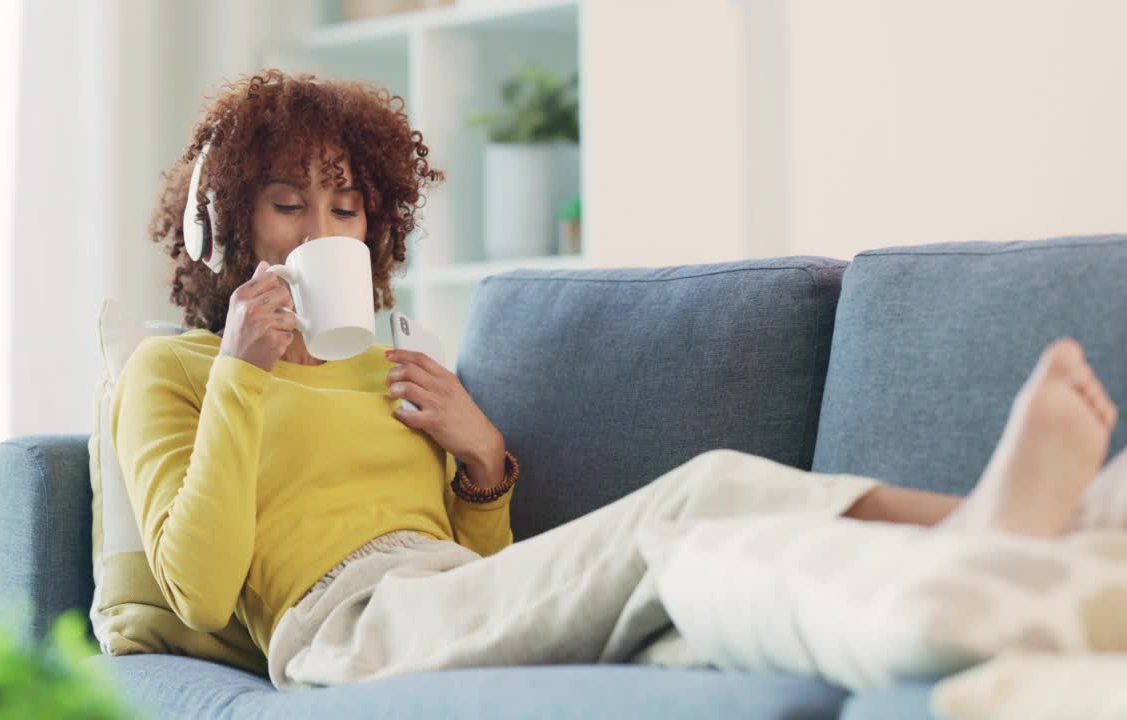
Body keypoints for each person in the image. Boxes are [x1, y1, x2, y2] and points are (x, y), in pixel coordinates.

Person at [111, 69, 1124, 691]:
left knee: (710, 608)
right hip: (341, 630)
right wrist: (242, 378)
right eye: (289, 205)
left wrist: (481, 466)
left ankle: (981, 587)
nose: (323, 233)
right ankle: (985, 524)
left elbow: (468, 555)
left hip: (451, 591)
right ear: (225, 223)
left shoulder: (391, 364)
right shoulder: (179, 371)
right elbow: (197, 595)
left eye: (345, 208)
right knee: (698, 496)